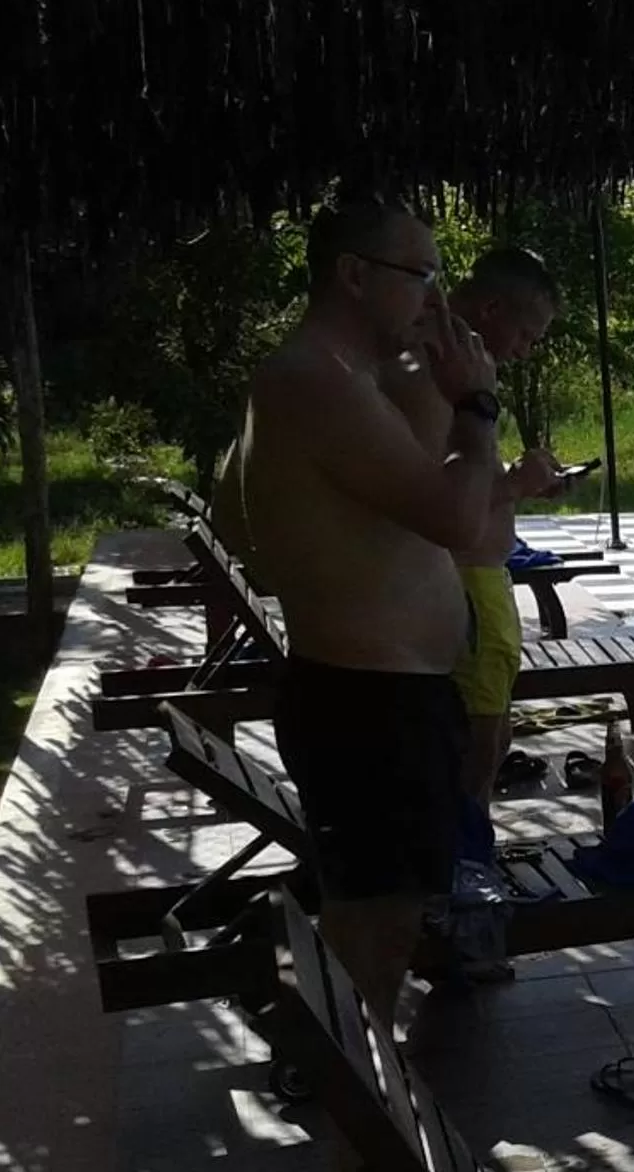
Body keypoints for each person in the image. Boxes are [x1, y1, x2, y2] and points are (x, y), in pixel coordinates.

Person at [234, 197, 503, 1019]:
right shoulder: (315, 379)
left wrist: (430, 389)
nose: (436, 297)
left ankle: (361, 1115)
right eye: (421, 274)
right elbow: (458, 519)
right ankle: (357, 1139)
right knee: (372, 948)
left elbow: (438, 500)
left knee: (382, 934)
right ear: (354, 274)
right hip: (368, 705)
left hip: (386, 696)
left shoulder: (341, 380)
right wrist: (477, 407)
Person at [375, 246, 572, 874]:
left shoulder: (450, 365)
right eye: (525, 333)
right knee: (476, 747)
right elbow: (435, 501)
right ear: (490, 307)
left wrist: (516, 481)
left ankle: (464, 858)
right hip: (462, 585)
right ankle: (462, 872)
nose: (525, 350)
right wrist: (515, 484)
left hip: (476, 580)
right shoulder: (428, 369)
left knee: (489, 737)